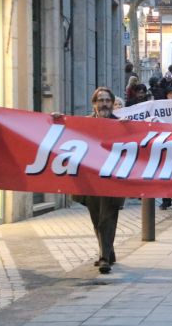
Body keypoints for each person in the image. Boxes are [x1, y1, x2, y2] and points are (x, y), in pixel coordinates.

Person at [71, 87, 125, 274]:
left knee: (107, 218)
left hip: (113, 181)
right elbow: (65, 131)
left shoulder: (121, 125)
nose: (104, 104)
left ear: (112, 104)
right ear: (94, 104)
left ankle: (104, 258)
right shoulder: (82, 123)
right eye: (100, 100)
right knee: (96, 219)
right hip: (91, 179)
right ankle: (108, 251)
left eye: (107, 100)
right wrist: (56, 118)